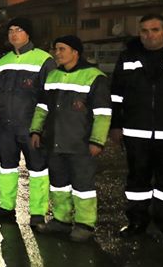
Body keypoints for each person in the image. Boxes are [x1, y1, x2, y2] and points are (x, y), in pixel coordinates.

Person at [30, 35, 111, 242]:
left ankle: (85, 224)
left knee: (83, 186)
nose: (57, 53)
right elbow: (42, 107)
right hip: (54, 142)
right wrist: (36, 130)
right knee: (59, 185)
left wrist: (97, 141)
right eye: (56, 49)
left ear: (75, 52)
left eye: (62, 49)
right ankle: (61, 220)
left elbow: (102, 114)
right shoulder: (53, 76)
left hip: (80, 143)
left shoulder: (94, 77)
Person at [110, 14, 163, 241]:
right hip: (136, 132)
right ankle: (137, 222)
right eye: (144, 30)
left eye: (155, 29)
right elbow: (116, 95)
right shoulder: (128, 57)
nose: (149, 35)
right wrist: (115, 126)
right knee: (137, 181)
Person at [0, 17, 55, 227]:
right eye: (10, 30)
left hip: (31, 126)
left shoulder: (44, 60)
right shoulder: (1, 62)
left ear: (28, 33)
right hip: (5, 126)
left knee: (38, 169)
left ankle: (37, 212)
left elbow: (49, 97)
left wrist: (40, 127)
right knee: (7, 167)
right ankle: (6, 207)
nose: (13, 34)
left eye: (18, 29)